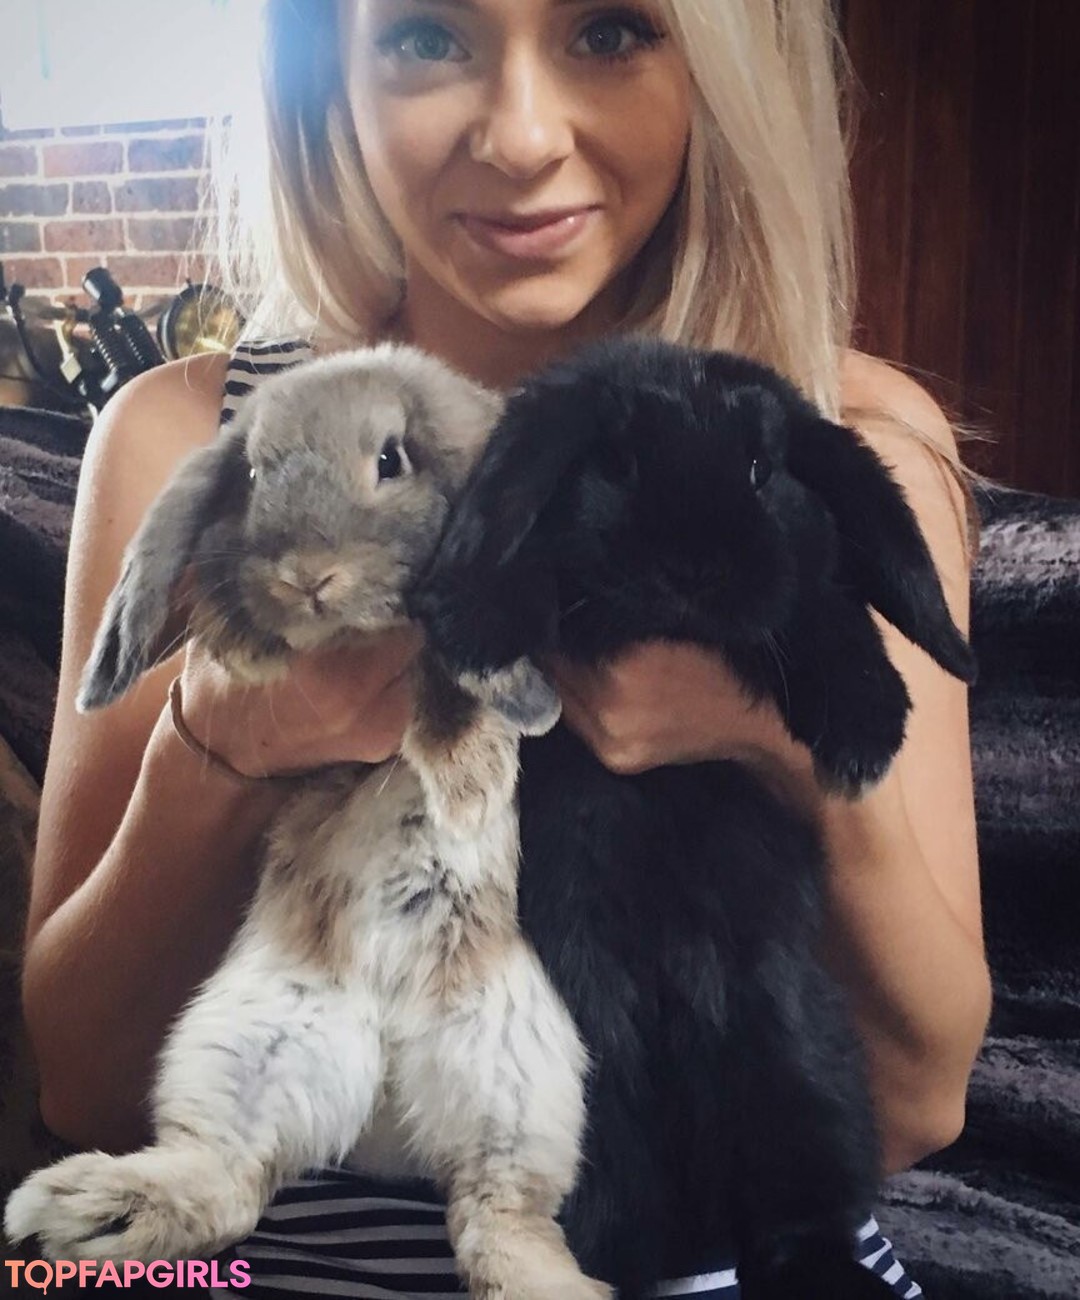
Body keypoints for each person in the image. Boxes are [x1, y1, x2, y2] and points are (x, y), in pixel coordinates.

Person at [19, 0, 990, 1295]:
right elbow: (83, 1086)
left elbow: (919, 1101)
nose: (523, 137)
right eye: (428, 36)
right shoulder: (193, 436)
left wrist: (777, 737)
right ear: (330, 76)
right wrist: (220, 748)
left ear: (727, 74)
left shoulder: (839, 433)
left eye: (611, 30)